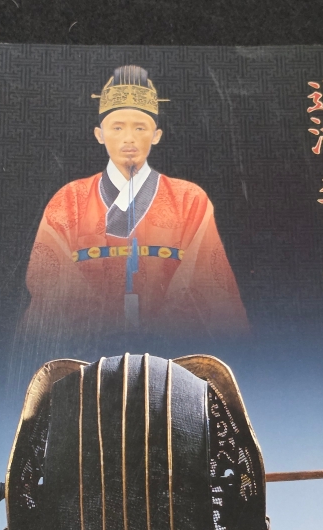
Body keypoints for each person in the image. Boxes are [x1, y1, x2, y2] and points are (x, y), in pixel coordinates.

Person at [23, 65, 249, 336]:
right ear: (99, 135)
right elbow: (50, 284)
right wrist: (107, 333)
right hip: (88, 349)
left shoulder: (189, 199)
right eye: (117, 127)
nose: (129, 138)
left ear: (156, 135)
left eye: (140, 128)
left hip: (172, 350)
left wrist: (156, 337)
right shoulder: (69, 199)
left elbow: (207, 286)